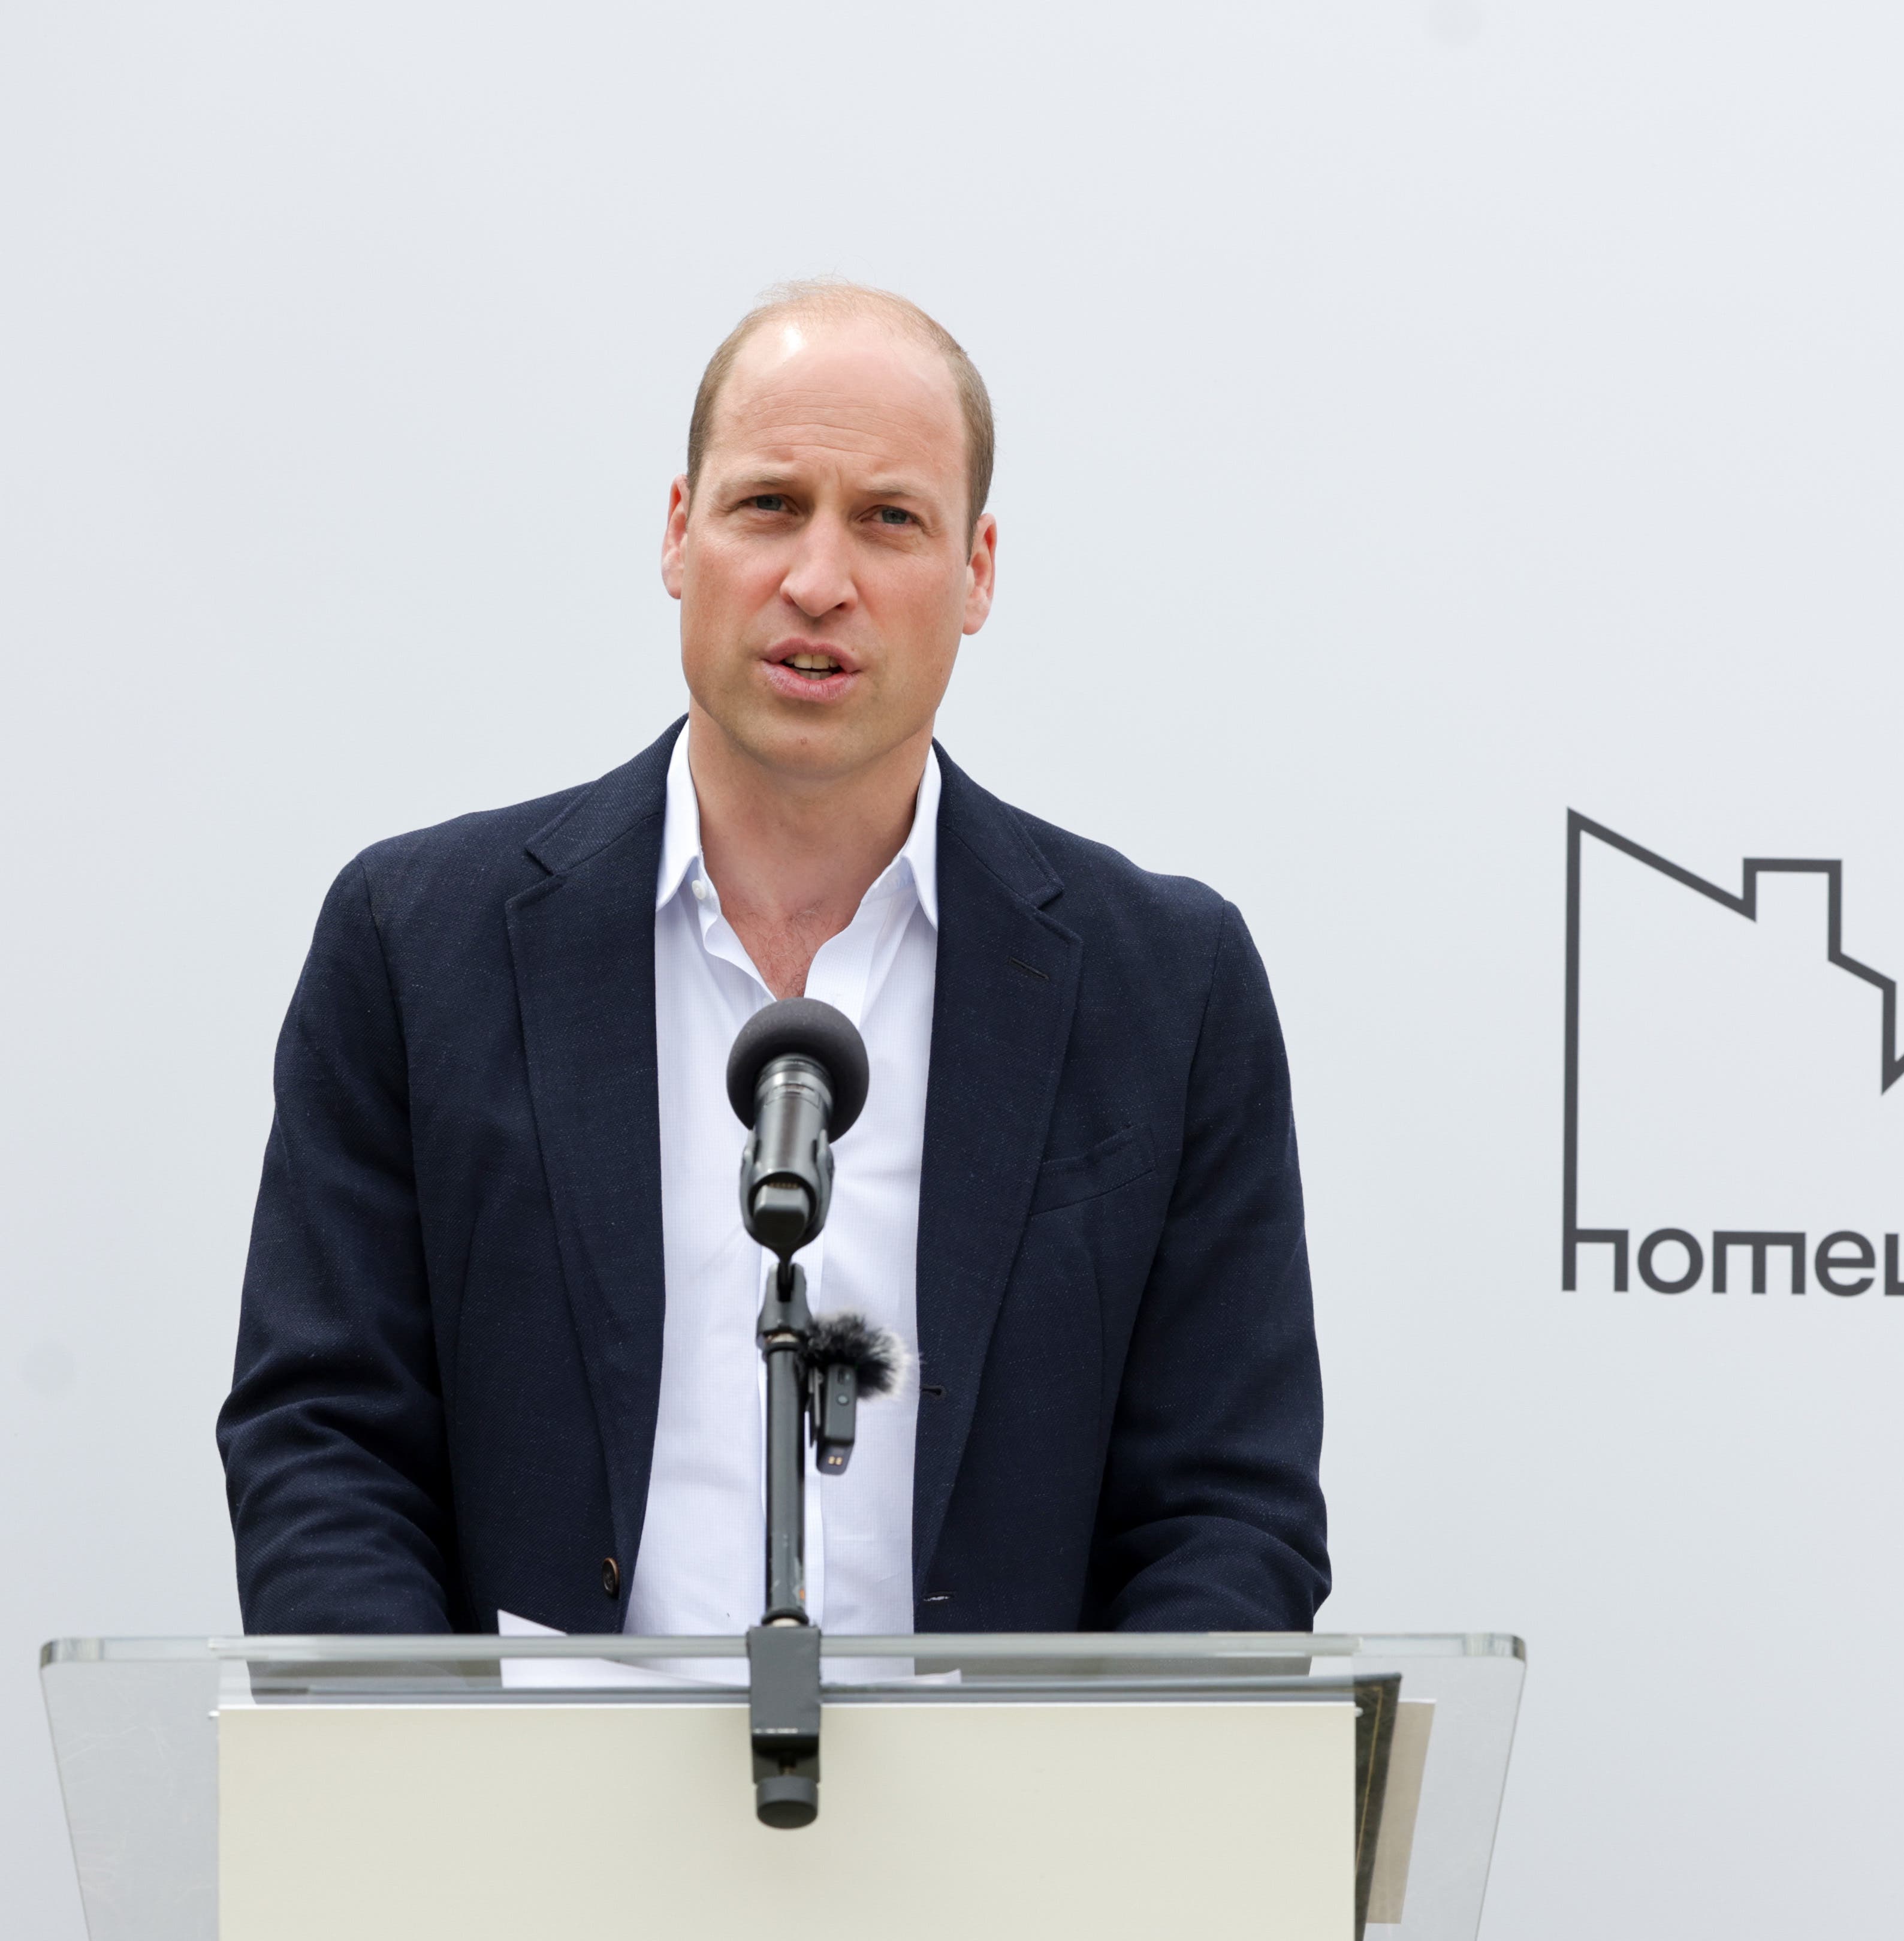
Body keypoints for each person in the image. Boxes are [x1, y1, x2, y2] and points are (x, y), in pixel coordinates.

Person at [219, 282, 1327, 1638]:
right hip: (531, 1823)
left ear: (976, 572)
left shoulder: (1167, 984)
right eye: (767, 505)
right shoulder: (416, 943)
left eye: (889, 519)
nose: (819, 578)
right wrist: (434, 1790)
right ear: (679, 532)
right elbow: (325, 1441)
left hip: (1004, 1832)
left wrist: (1084, 1819)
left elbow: (1229, 1511)